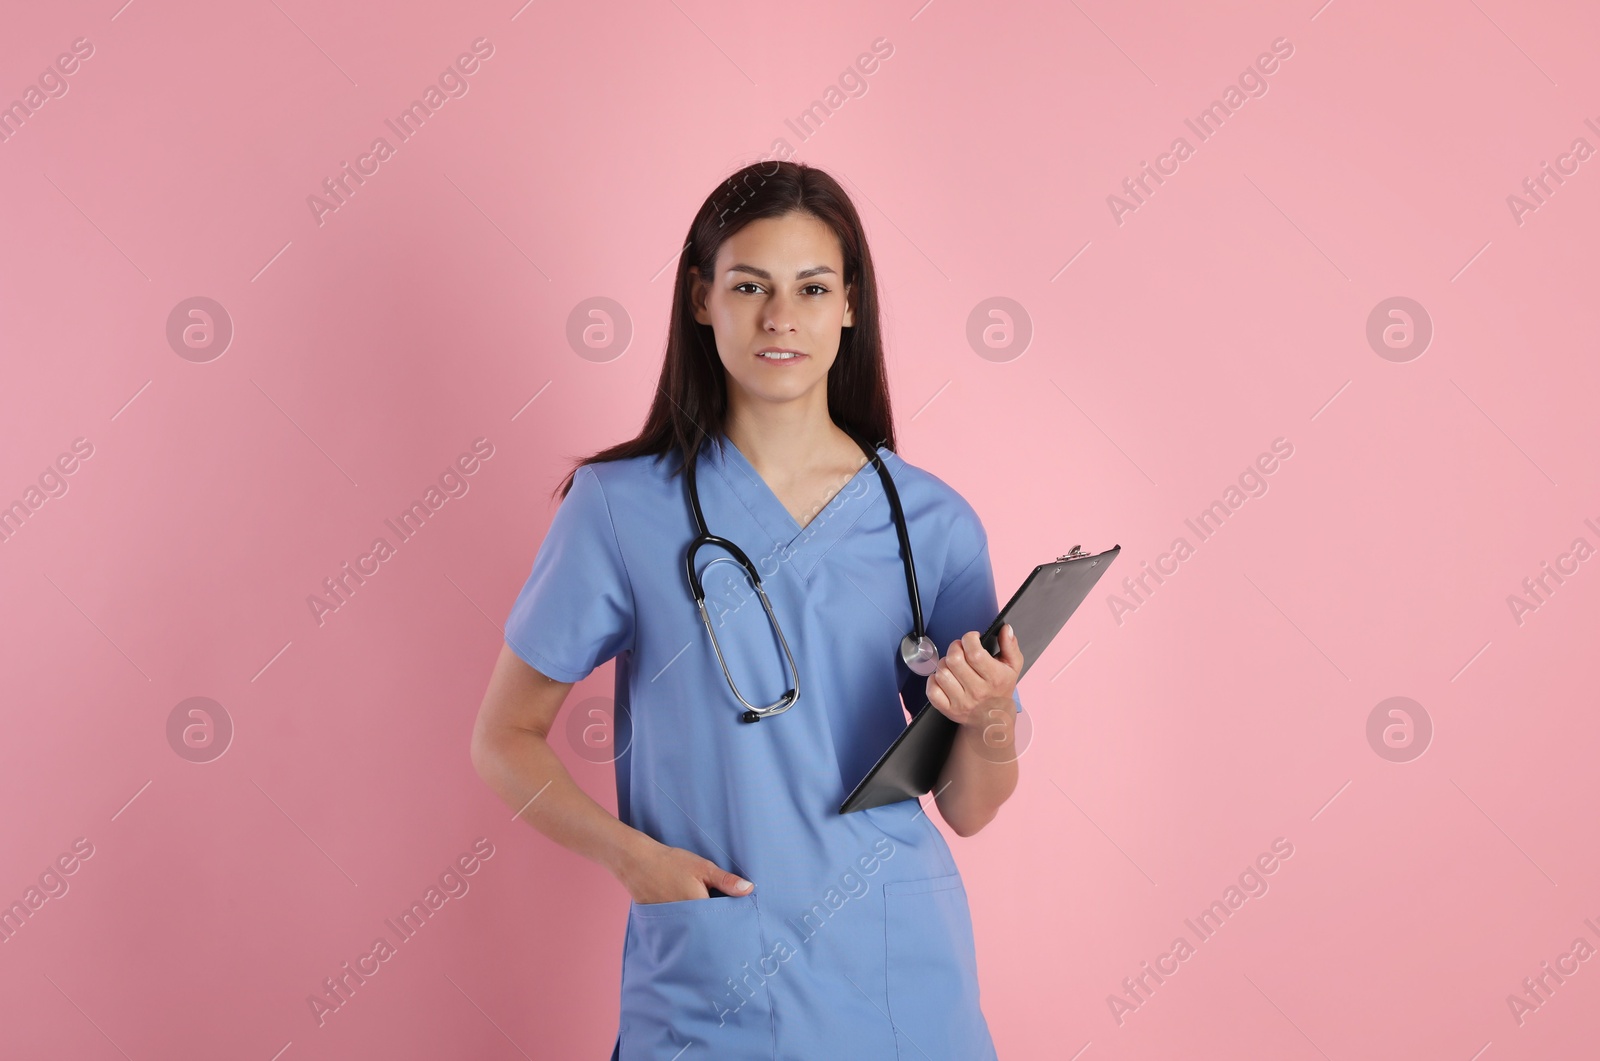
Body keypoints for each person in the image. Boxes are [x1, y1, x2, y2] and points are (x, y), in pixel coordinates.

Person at [470, 160, 1025, 1060]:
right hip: (714, 970)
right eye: (749, 285)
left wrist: (990, 714)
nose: (780, 317)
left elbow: (967, 806)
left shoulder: (927, 519)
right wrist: (634, 860)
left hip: (899, 975)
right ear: (702, 299)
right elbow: (503, 737)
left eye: (811, 287)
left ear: (850, 305)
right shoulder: (619, 507)